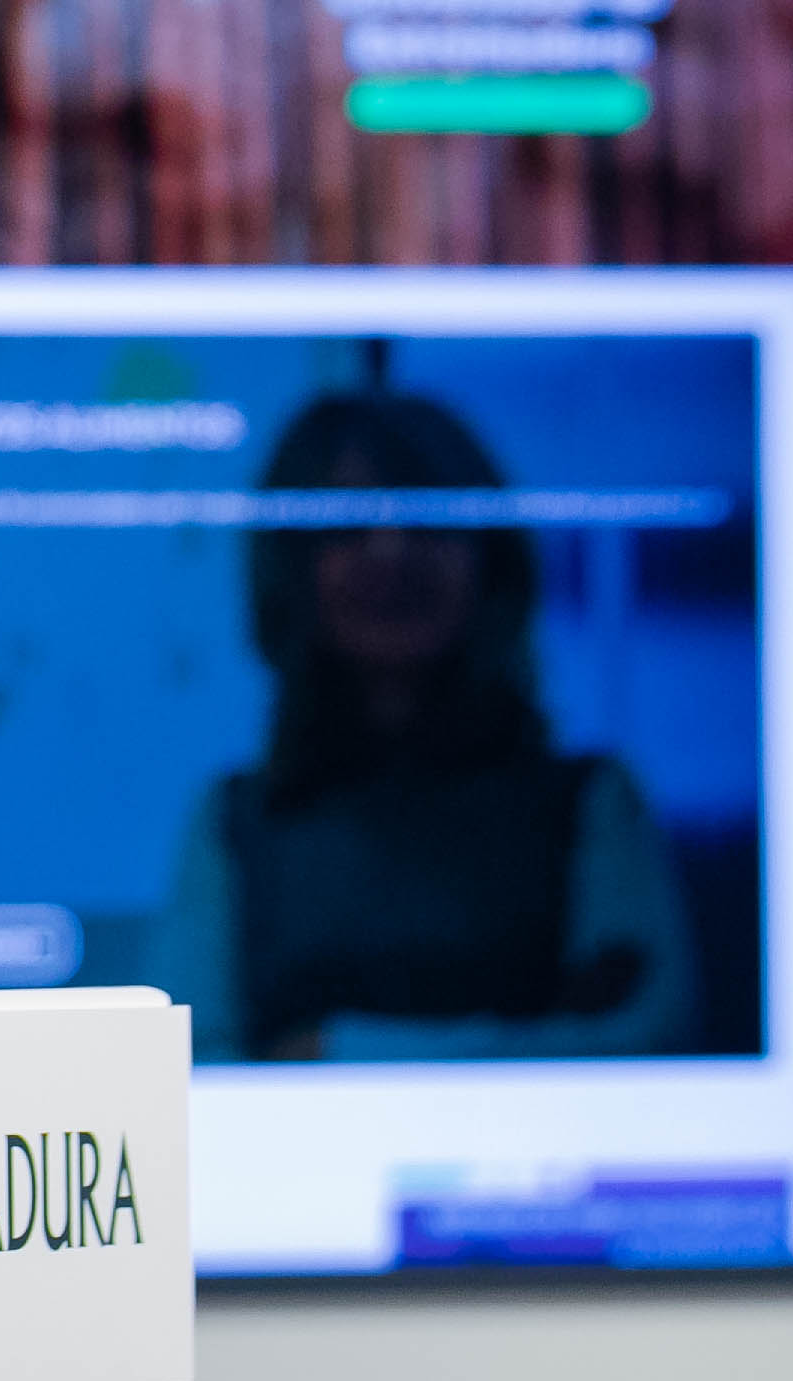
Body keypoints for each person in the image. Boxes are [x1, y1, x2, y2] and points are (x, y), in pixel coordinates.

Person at [152, 383, 694, 1062]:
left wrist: (336, 1049)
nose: (391, 551)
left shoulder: (590, 805)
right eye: (347, 528)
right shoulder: (234, 820)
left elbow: (641, 1038)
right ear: (291, 568)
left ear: (487, 557)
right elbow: (191, 1062)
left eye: (428, 520)